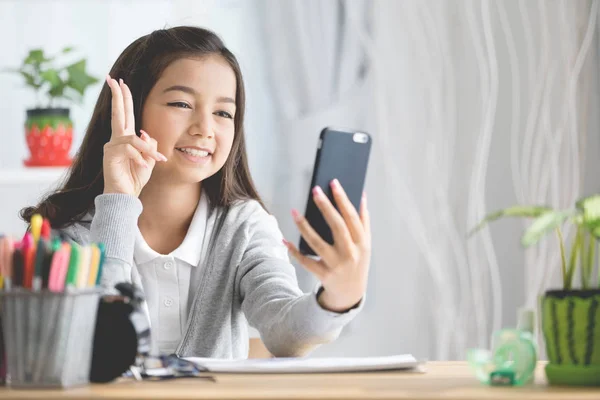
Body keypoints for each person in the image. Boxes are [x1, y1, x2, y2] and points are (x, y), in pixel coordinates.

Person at [21, 26, 371, 358]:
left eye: (223, 112)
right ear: (128, 112)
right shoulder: (64, 235)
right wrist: (118, 201)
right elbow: (94, 344)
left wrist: (339, 297)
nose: (205, 129)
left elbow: (286, 332)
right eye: (181, 104)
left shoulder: (244, 227)